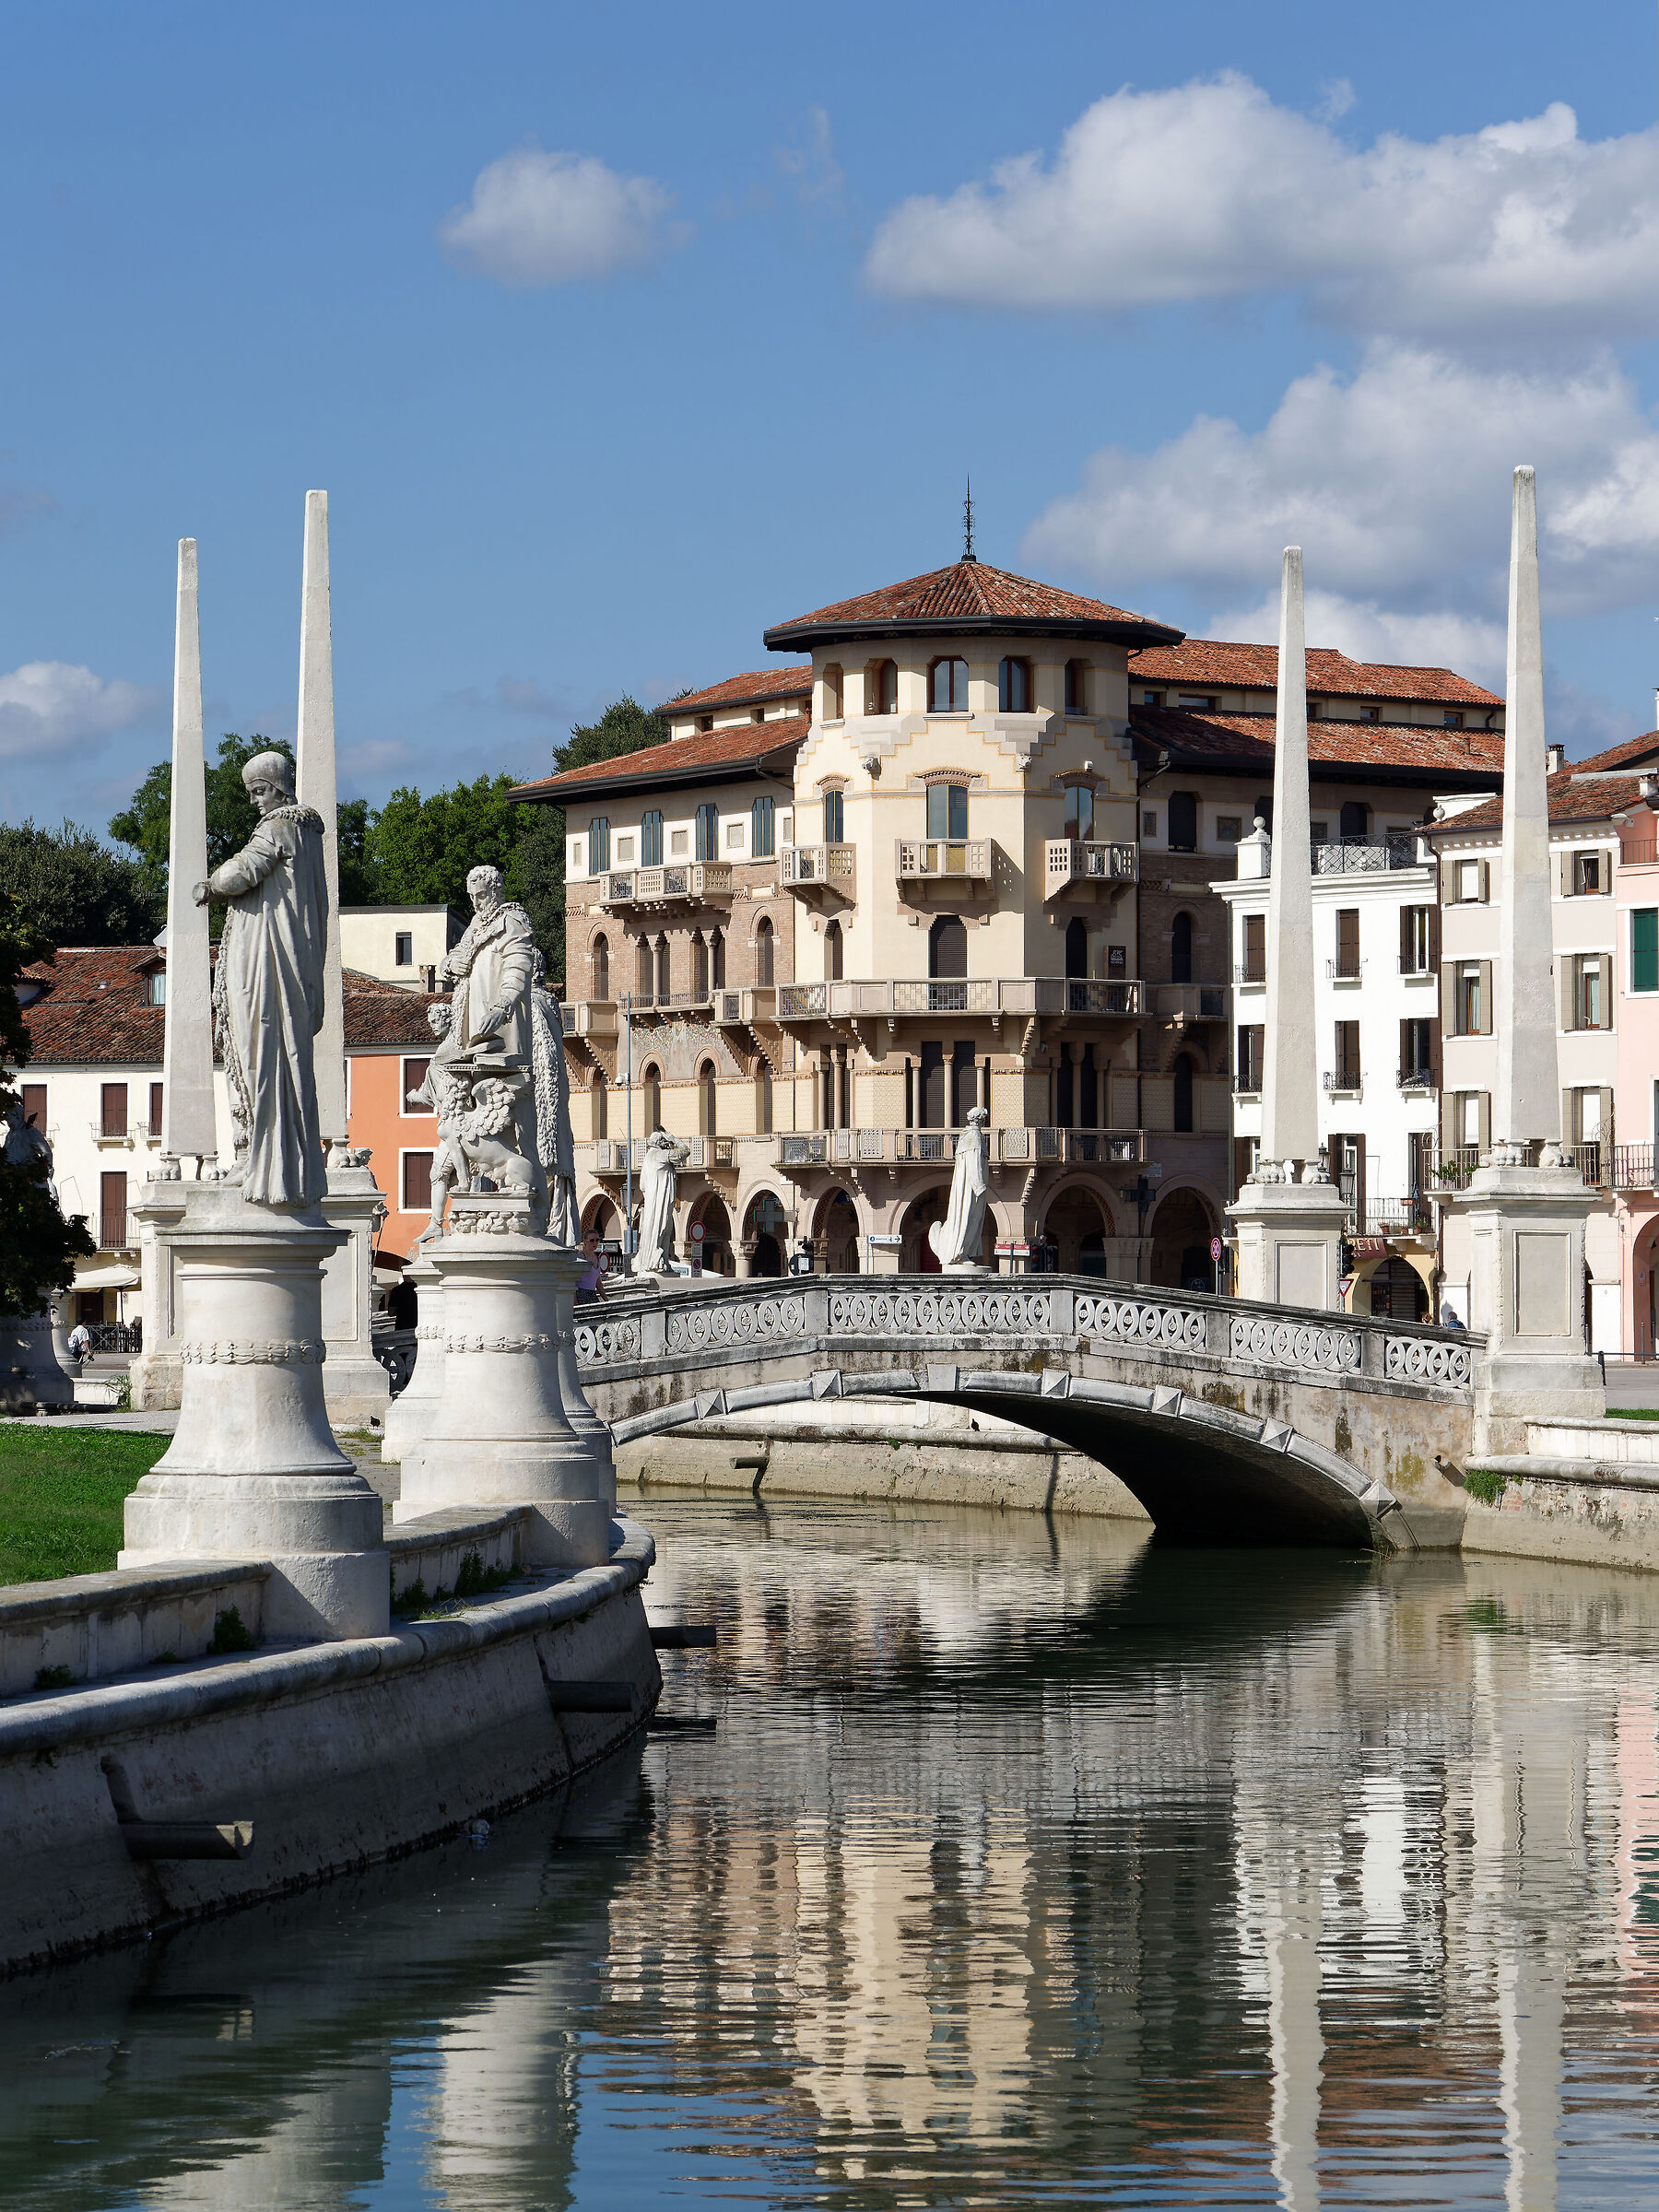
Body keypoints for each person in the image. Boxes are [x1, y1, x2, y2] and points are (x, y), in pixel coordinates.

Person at [197, 750, 328, 1206]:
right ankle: (270, 1159)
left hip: (268, 963)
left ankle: (269, 1164)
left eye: (258, 791)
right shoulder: (310, 834)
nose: (254, 801)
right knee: (273, 1059)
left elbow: (242, 871)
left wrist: (210, 886)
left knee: (264, 1055)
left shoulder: (279, 827)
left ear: (276, 787)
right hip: (286, 960)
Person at [576, 1230, 607, 1305]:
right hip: (581, 1293)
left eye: (597, 1240)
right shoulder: (581, 1256)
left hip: (592, 1294)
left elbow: (598, 1283)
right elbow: (573, 1280)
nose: (595, 1243)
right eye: (592, 1240)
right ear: (585, 1241)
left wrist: (606, 1300)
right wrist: (575, 1301)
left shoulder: (597, 1258)